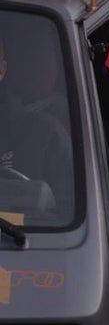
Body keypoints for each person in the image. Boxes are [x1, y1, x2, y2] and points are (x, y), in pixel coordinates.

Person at [0, 36, 72, 219]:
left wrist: (15, 219)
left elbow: (64, 220)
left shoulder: (46, 135)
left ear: (2, 70)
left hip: (20, 242)